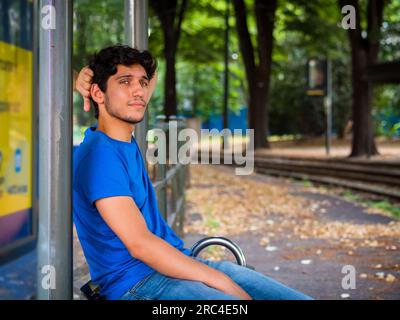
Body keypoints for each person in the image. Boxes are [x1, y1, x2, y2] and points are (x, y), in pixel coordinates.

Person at [74, 44, 313, 300]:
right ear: (98, 94)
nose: (138, 91)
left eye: (142, 83)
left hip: (175, 266)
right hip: (138, 286)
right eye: (124, 81)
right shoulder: (100, 156)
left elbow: (146, 77)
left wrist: (90, 72)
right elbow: (139, 244)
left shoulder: (120, 136)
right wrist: (220, 281)